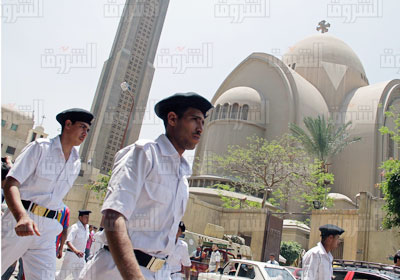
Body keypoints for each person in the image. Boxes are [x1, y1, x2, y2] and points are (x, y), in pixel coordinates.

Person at [79, 92, 212, 280]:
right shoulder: (144, 154)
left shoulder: (182, 177)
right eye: (194, 120)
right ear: (172, 119)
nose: (200, 128)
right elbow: (112, 216)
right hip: (117, 271)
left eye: (203, 122)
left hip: (159, 271)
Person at [1, 108, 94, 280]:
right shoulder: (40, 149)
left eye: (88, 130)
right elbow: (10, 184)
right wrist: (21, 216)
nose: (85, 133)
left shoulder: (75, 163)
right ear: (67, 124)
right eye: (82, 127)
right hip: (21, 221)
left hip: (47, 230)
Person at [56, 210, 91, 280]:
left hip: (81, 257)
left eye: (88, 217)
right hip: (72, 255)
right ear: (80, 217)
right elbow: (68, 241)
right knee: (62, 276)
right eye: (86, 217)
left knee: (81, 277)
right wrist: (76, 251)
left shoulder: (87, 228)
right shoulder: (75, 227)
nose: (88, 219)